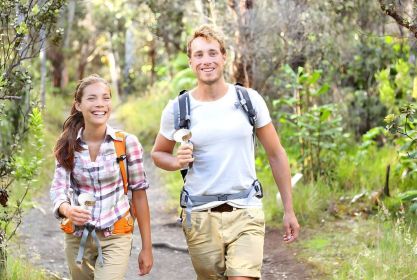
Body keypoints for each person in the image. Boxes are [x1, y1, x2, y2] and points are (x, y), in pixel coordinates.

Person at [151, 25, 300, 280]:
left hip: (246, 209)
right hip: (199, 215)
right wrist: (177, 161)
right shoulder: (178, 108)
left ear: (223, 57)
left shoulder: (248, 100)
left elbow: (276, 154)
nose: (206, 60)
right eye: (199, 55)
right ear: (190, 62)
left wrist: (289, 209)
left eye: (212, 53)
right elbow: (158, 154)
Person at [50, 74, 153, 280]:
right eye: (92, 98)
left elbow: (139, 196)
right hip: (77, 236)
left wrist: (147, 248)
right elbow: (58, 188)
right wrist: (67, 209)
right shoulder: (67, 145)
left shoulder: (126, 143)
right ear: (78, 105)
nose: (100, 104)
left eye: (106, 98)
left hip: (116, 232)